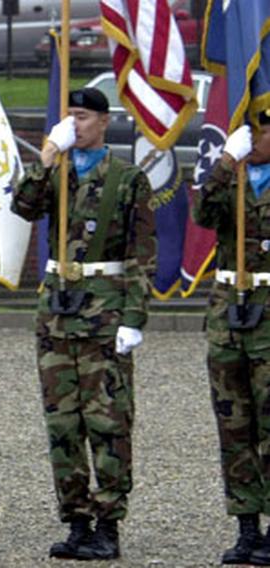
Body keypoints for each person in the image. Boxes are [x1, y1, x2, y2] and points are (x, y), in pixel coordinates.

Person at [11, 87, 156, 561]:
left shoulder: (128, 178)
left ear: (104, 121)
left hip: (104, 311)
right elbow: (24, 206)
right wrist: (49, 155)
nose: (76, 124)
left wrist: (135, 317)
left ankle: (109, 523)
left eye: (83, 117)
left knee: (108, 421)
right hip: (57, 311)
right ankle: (75, 519)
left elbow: (141, 253)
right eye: (69, 116)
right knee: (63, 423)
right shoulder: (60, 172)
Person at [193, 110, 270, 565]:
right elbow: (203, 214)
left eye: (262, 130)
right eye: (250, 130)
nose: (254, 138)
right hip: (229, 310)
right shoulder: (233, 175)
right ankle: (246, 527)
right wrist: (225, 162)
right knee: (234, 422)